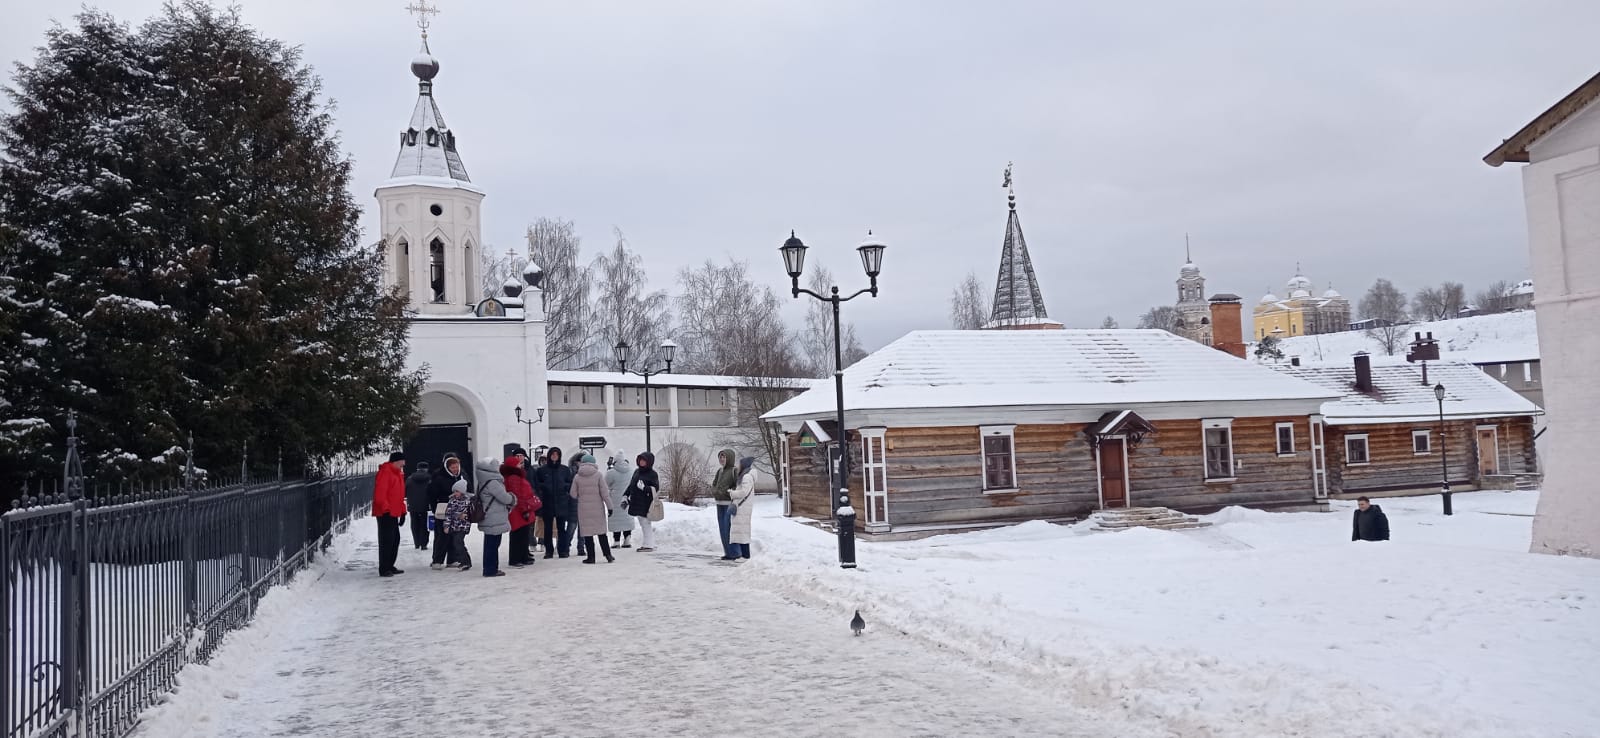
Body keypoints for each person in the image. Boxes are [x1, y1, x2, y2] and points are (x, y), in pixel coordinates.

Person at [570, 453, 614, 564]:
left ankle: (591, 557)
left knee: (588, 535)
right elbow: (605, 493)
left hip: (583, 509)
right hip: (597, 509)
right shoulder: (598, 475)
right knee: (601, 533)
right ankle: (608, 555)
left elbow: (573, 494)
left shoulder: (577, 476)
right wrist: (610, 507)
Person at [475, 458, 516, 577]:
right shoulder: (492, 482)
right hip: (494, 516)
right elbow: (504, 498)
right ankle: (490, 569)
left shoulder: (483, 480)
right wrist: (512, 498)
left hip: (489, 515)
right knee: (492, 544)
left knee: (489, 544)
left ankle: (489, 568)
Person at [533, 447, 576, 558]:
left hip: (561, 502)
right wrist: (545, 488)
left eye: (557, 455)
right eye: (553, 454)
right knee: (547, 529)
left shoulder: (564, 470)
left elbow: (570, 483)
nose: (554, 456)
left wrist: (564, 488)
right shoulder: (542, 470)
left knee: (561, 528)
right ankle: (549, 551)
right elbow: (537, 485)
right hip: (547, 502)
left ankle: (563, 550)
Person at [428, 454, 467, 568]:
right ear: (447, 468)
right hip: (444, 509)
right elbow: (431, 494)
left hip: (458, 509)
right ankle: (437, 560)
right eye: (453, 467)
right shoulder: (439, 478)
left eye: (456, 467)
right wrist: (435, 508)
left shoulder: (462, 476)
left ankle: (452, 559)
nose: (455, 470)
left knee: (454, 535)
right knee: (442, 535)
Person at [373, 452, 407, 577]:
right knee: (386, 540)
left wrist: (403, 511)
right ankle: (384, 568)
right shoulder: (385, 473)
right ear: (395, 461)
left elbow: (399, 495)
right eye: (401, 463)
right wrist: (386, 509)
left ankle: (390, 565)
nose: (403, 465)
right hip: (385, 513)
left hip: (393, 512)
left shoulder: (398, 474)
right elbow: (380, 494)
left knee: (395, 539)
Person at [503, 454, 540, 568]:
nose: (521, 465)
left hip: (521, 509)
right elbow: (518, 495)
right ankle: (516, 558)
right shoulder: (514, 478)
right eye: (519, 463)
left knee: (523, 534)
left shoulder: (515, 476)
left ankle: (523, 556)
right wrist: (524, 509)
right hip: (519, 510)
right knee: (518, 535)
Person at [625, 451, 659, 552]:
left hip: (646, 502)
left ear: (649, 462)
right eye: (640, 460)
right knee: (643, 522)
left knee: (645, 523)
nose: (641, 462)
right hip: (636, 501)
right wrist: (625, 494)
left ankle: (648, 545)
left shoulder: (653, 474)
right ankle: (650, 543)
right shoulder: (637, 472)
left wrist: (645, 488)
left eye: (644, 460)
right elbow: (631, 484)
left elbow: (655, 488)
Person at [726, 456, 757, 561]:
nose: (738, 466)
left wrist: (732, 493)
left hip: (743, 508)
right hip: (742, 508)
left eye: (740, 464)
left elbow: (744, 492)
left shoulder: (747, 477)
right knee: (741, 531)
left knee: (742, 531)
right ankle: (744, 555)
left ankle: (745, 556)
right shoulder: (745, 476)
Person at [712, 449, 739, 560]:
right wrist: (714, 491)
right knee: (722, 529)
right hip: (719, 504)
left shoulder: (734, 471)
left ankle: (735, 552)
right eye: (720, 457)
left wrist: (727, 492)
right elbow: (714, 484)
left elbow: (737, 485)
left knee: (729, 529)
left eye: (724, 457)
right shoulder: (719, 471)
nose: (722, 459)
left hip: (729, 504)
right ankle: (727, 552)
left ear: (729, 458)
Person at [441, 478, 474, 571]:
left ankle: (465, 562)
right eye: (454, 491)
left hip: (463, 526)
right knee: (457, 544)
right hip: (454, 526)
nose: (456, 493)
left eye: (457, 491)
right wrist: (446, 525)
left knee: (458, 543)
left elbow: (469, 514)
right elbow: (448, 514)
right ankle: (465, 561)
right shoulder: (452, 500)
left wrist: (463, 516)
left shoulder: (468, 501)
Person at [605, 451, 634, 548]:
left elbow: (606, 484)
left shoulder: (611, 472)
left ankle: (616, 541)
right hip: (627, 498)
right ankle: (627, 539)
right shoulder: (631, 471)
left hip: (615, 498)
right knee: (627, 518)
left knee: (616, 519)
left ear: (615, 461)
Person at [405, 461, 432, 550]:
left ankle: (416, 542)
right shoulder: (429, 479)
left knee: (414, 523)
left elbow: (405, 490)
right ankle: (423, 543)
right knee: (424, 524)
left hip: (412, 505)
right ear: (426, 469)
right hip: (425, 505)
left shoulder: (410, 478)